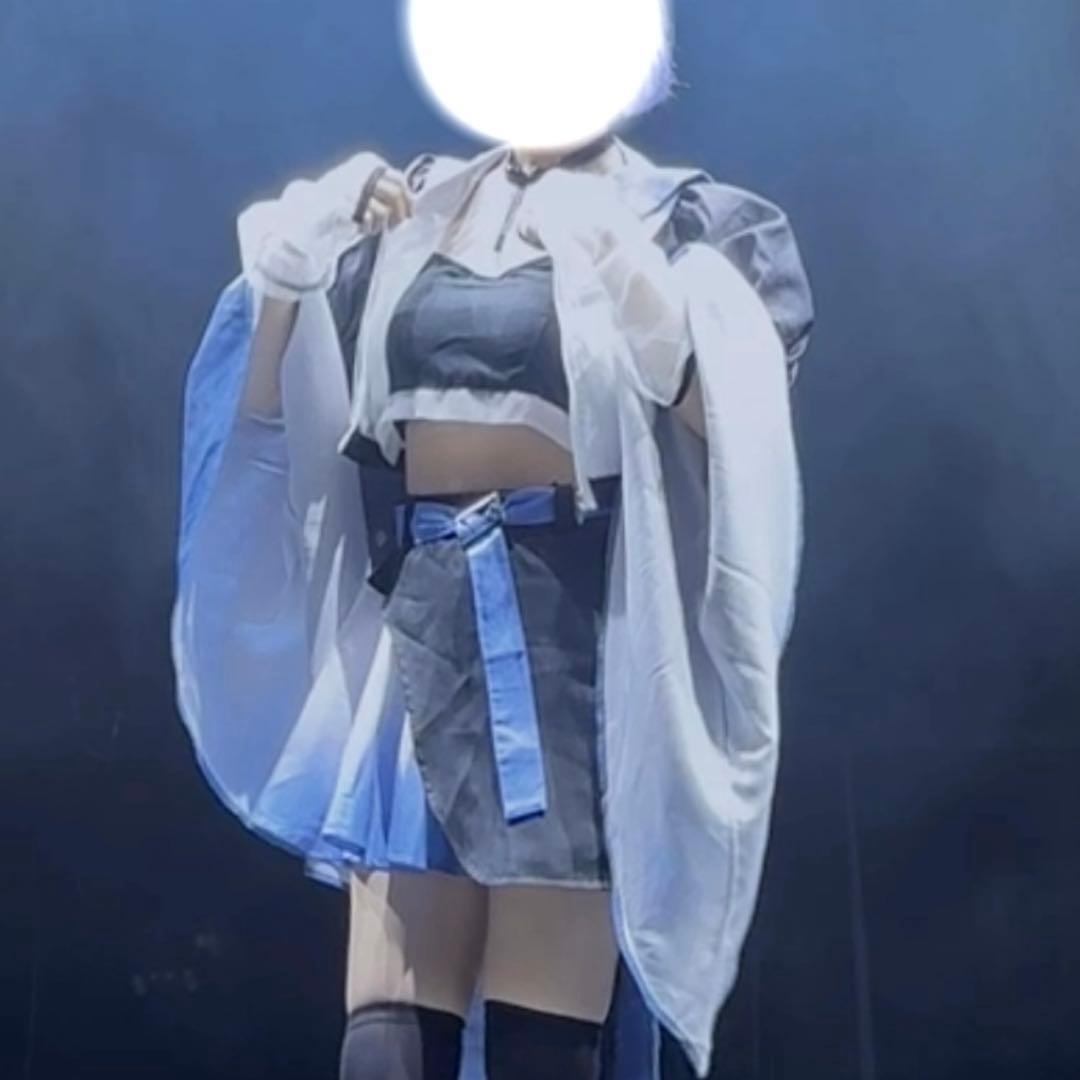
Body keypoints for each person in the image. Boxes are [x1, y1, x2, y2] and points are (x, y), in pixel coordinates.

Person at [170, 41, 814, 1080]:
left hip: (565, 639)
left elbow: (738, 432)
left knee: (540, 1040)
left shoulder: (683, 217)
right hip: (424, 623)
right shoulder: (417, 209)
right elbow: (266, 407)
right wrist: (287, 269)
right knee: (387, 1025)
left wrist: (631, 276)